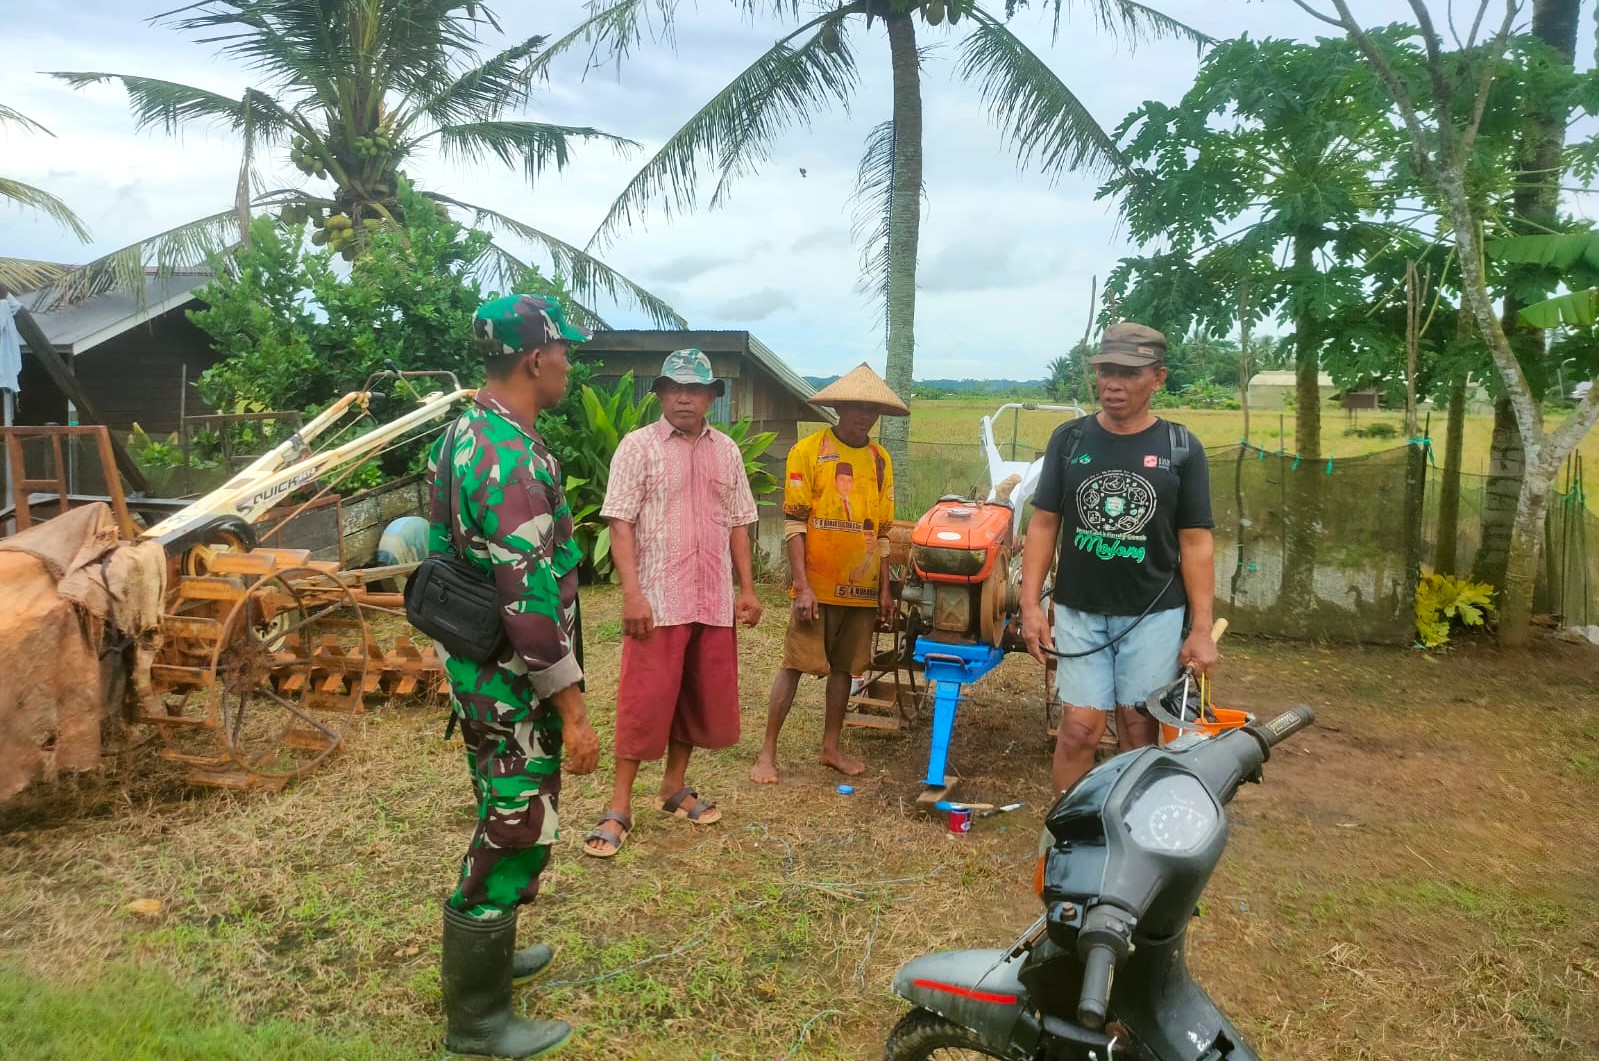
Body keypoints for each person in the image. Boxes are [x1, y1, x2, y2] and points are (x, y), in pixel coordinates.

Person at [428, 293, 601, 1059]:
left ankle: (492, 947)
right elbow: (529, 603)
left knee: (500, 804)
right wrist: (574, 711)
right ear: (535, 359)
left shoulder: (463, 433)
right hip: (510, 677)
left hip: (473, 663)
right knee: (516, 822)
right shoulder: (514, 460)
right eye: (563, 353)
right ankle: (477, 1020)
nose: (567, 365)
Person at [1019, 322, 1218, 795]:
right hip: (1079, 610)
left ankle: (1128, 827)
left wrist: (1201, 629)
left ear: (1158, 378)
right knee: (1078, 730)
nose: (1113, 384)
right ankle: (1068, 828)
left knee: (1137, 729)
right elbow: (1044, 524)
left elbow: (1196, 542)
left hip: (1153, 615)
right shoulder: (1070, 440)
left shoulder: (1180, 449)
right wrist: (1029, 605)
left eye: (1129, 373)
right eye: (1106, 371)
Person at [582, 349, 763, 857]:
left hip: (711, 598)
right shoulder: (637, 447)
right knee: (644, 701)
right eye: (674, 388)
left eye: (695, 389)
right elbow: (620, 522)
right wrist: (632, 594)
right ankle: (619, 806)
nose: (684, 398)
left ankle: (673, 787)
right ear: (660, 394)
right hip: (658, 601)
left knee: (693, 696)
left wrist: (747, 590)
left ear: (710, 397)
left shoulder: (727, 451)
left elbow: (739, 523)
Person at [749, 363, 905, 784]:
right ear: (838, 407)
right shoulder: (809, 452)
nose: (865, 415)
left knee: (845, 668)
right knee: (794, 664)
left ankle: (831, 747)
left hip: (861, 588)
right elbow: (795, 523)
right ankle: (767, 753)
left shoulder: (879, 460)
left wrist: (884, 590)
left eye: (872, 409)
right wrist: (802, 585)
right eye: (856, 407)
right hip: (816, 587)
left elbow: (883, 532)